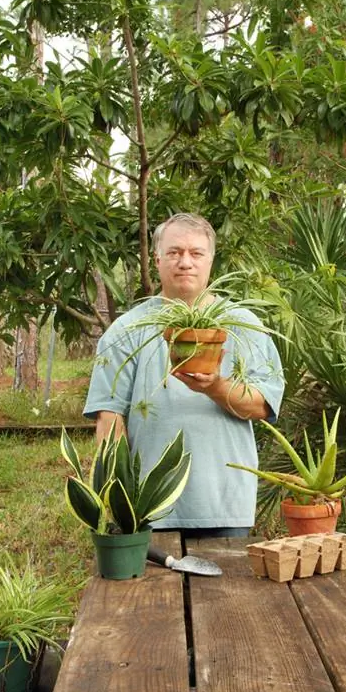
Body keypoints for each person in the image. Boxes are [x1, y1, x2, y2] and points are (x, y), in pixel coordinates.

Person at [83, 212, 285, 537]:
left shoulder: (245, 326)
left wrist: (215, 386)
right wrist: (121, 497)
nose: (185, 262)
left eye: (196, 253)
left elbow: (262, 406)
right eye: (175, 252)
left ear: (210, 261)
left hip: (225, 506)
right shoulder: (126, 331)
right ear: (158, 259)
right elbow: (110, 419)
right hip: (149, 507)